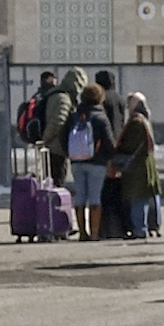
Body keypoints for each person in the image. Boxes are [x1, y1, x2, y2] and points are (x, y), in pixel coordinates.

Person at [62, 85, 110, 236]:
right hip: (97, 163)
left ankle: (83, 233)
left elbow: (63, 137)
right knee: (95, 198)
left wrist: (69, 153)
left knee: (80, 196)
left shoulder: (74, 117)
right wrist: (108, 157)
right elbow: (109, 141)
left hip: (77, 161)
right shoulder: (101, 117)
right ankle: (95, 233)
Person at [112, 91, 160, 240]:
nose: (127, 106)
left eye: (130, 103)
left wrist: (116, 152)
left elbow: (129, 145)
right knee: (149, 197)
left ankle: (139, 229)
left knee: (138, 199)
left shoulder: (136, 123)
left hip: (137, 168)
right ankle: (153, 226)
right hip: (146, 165)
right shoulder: (146, 120)